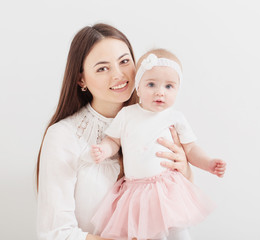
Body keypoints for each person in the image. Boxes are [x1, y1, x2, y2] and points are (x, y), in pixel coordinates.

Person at [36, 24, 194, 240]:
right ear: (81, 78)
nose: (119, 75)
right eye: (102, 68)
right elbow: (54, 233)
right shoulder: (64, 136)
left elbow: (179, 210)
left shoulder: (163, 119)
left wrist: (184, 169)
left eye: (124, 61)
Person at [90, 49, 227, 240]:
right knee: (148, 234)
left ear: (178, 90)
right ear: (138, 87)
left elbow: (190, 149)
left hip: (167, 187)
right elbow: (113, 140)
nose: (160, 92)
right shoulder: (127, 115)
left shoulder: (175, 117)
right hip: (136, 191)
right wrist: (103, 150)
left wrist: (208, 163)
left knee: (179, 231)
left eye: (169, 86)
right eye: (151, 84)